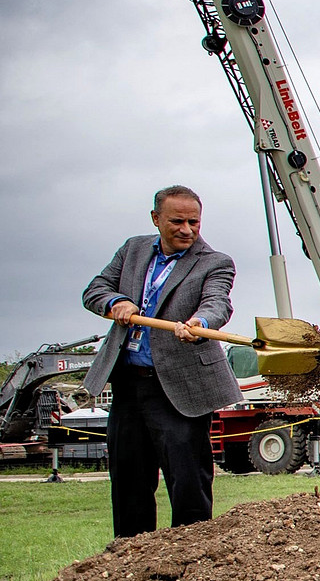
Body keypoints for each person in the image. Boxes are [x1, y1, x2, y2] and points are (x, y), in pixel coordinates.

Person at [79, 185, 243, 537]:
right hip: (129, 385)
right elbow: (95, 289)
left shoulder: (215, 262)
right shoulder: (133, 250)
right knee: (129, 480)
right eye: (177, 221)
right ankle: (130, 559)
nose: (187, 229)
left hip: (181, 389)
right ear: (156, 219)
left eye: (194, 222)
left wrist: (202, 323)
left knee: (188, 482)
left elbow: (218, 303)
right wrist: (116, 302)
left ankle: (190, 560)